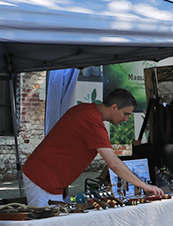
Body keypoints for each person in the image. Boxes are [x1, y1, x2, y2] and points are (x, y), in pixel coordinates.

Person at [22, 88, 164, 206]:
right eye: (126, 114)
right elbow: (114, 163)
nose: (127, 119)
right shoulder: (92, 121)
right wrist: (145, 186)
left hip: (50, 179)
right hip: (42, 179)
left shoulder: (84, 110)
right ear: (114, 107)